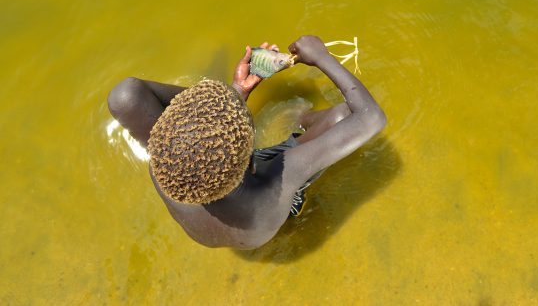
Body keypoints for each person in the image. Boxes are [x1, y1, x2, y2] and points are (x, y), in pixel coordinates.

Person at [107, 35, 386, 249]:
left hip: (211, 227)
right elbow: (371, 117)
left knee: (133, 100)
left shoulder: (165, 163)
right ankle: (304, 119)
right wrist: (322, 57)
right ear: (252, 162)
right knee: (339, 117)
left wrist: (236, 92)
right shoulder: (277, 184)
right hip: (260, 216)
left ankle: (298, 120)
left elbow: (124, 95)